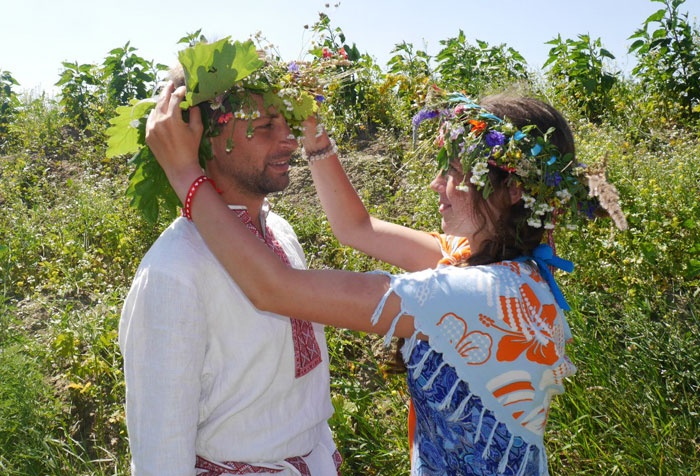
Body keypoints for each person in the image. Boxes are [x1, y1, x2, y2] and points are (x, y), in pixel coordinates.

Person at [146, 80, 625, 475]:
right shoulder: (507, 267)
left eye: (455, 172)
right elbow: (357, 228)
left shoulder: (473, 294)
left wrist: (186, 175)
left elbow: (276, 289)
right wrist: (315, 140)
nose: (438, 184)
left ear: (515, 190)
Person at [118, 40, 343, 476]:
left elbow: (308, 394)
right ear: (205, 140)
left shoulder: (279, 231)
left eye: (287, 122)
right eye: (263, 127)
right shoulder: (174, 271)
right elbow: (160, 451)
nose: (289, 140)